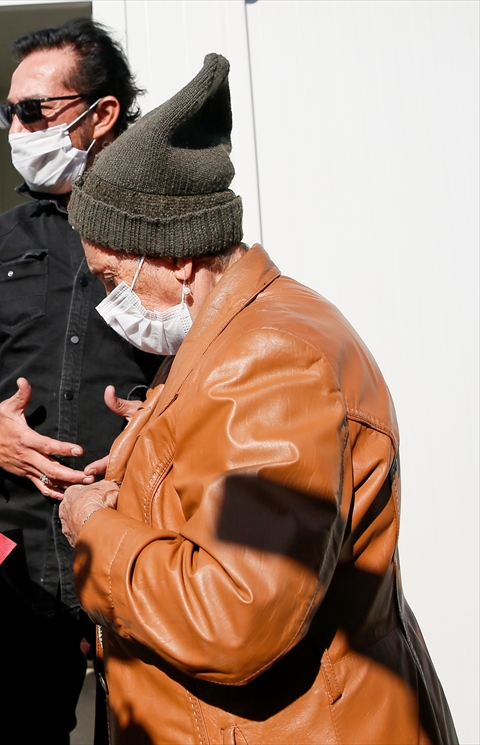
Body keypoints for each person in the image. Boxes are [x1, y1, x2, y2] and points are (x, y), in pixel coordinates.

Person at [59, 53, 457, 744]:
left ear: (176, 256)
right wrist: (158, 445)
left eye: (110, 276)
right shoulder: (234, 338)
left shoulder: (271, 360)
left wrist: (96, 524)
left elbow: (233, 617)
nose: (107, 301)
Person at [0, 19, 161, 744]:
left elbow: (221, 377)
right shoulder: (6, 238)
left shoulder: (172, 231)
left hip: (141, 550)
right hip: (14, 563)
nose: (16, 128)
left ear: (101, 114)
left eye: (33, 112)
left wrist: (166, 417)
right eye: (10, 113)